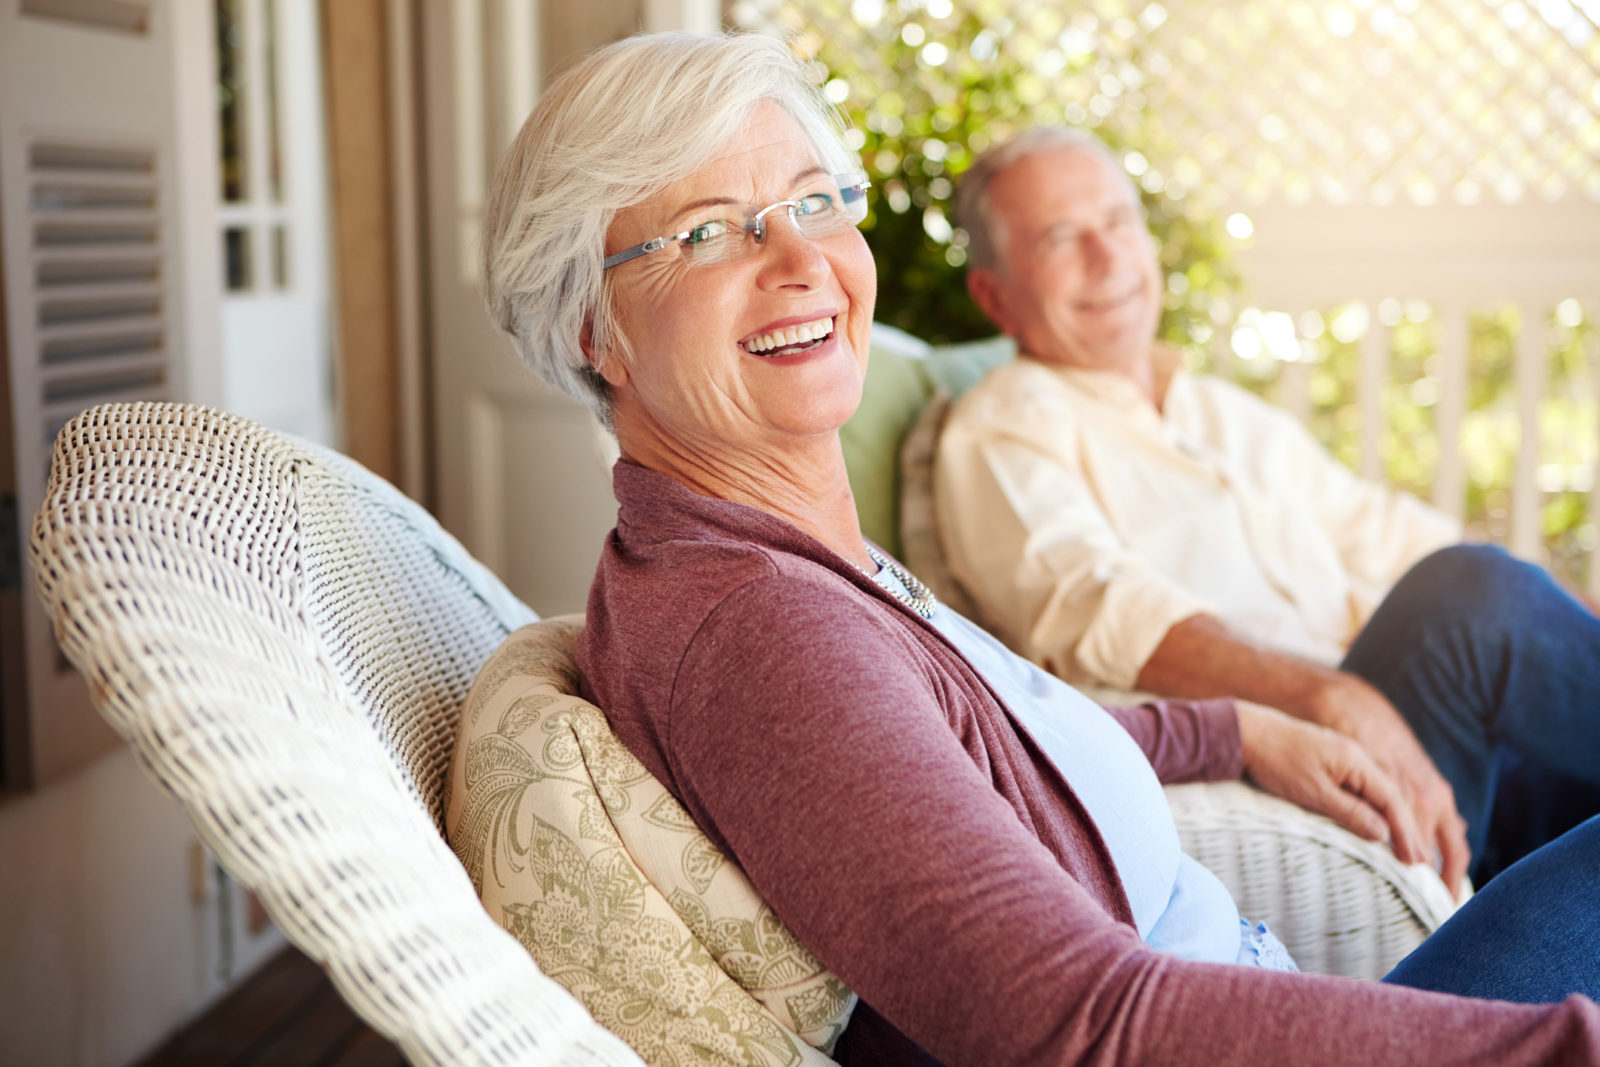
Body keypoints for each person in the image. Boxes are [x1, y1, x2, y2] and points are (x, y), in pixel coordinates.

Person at [479, 29, 1600, 1066]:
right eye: (712, 229)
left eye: (815, 202)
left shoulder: (776, 564)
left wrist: (1234, 728)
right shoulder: (766, 627)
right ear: (596, 328)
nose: (800, 260)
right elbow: (1074, 1025)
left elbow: (958, 746)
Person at [935, 126, 1600, 894]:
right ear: (996, 295)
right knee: (1469, 595)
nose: (1108, 256)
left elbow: (1388, 535)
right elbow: (1095, 605)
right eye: (1060, 237)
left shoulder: (1220, 411)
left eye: (1119, 222)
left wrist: (1569, 621)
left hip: (1439, 740)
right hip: (1302, 748)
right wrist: (1325, 695)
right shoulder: (1004, 424)